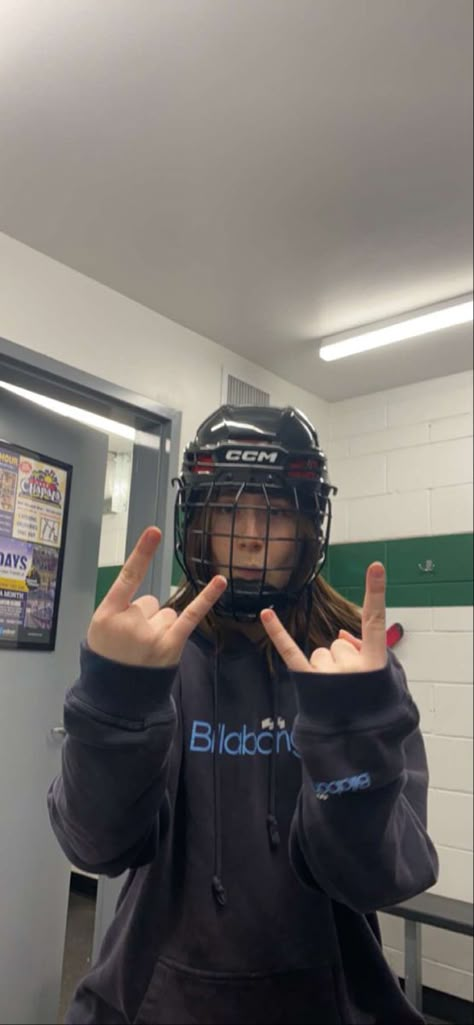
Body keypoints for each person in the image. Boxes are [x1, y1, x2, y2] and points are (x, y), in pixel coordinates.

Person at [49, 404, 438, 1025]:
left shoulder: (353, 670)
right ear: (197, 522)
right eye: (229, 509)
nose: (252, 534)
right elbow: (94, 845)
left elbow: (384, 876)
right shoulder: (152, 659)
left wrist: (349, 731)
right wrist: (115, 701)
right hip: (153, 1001)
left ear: (308, 526)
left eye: (276, 511)